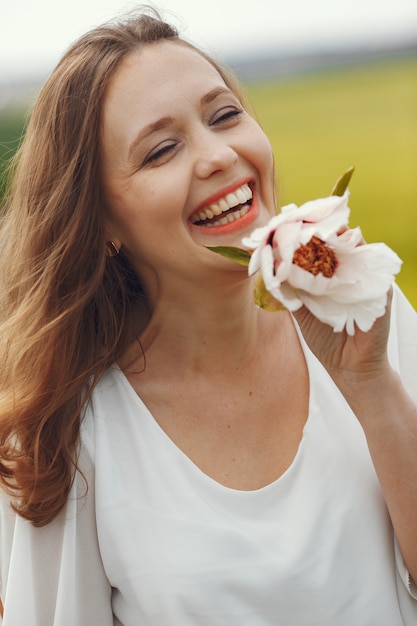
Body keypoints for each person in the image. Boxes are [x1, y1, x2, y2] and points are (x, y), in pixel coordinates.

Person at [0, 7, 416, 626]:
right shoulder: (68, 436)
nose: (219, 155)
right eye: (161, 150)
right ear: (104, 224)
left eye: (225, 115)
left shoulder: (369, 318)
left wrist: (370, 387)